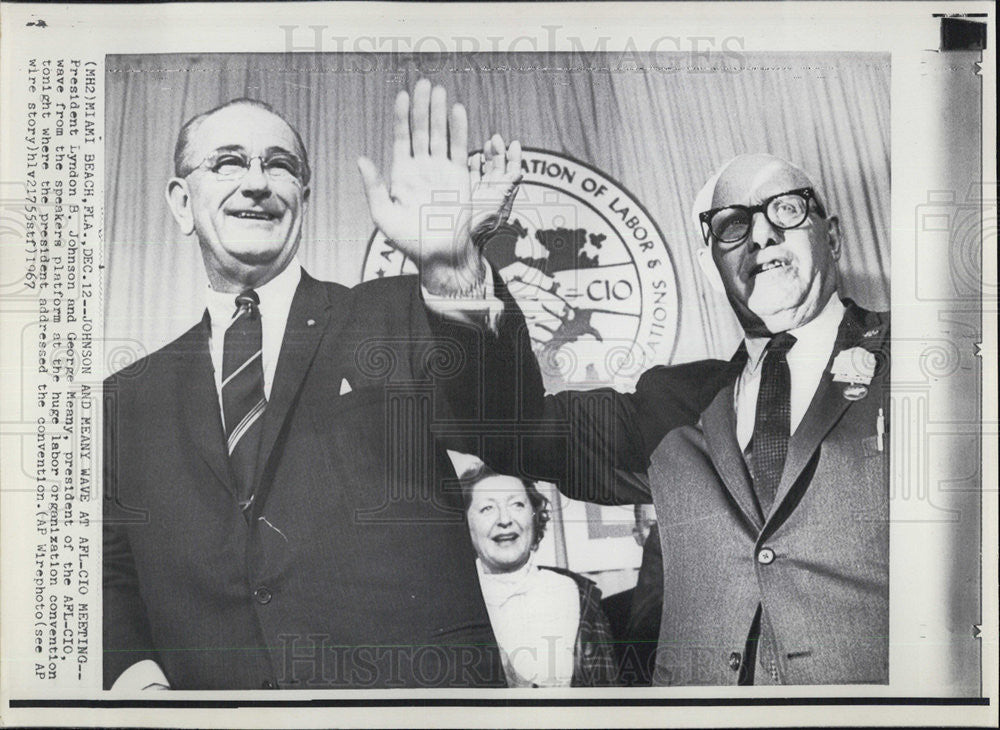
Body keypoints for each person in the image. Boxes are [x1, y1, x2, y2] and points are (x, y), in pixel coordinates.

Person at [102, 81, 526, 690]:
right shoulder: (126, 399)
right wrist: (141, 686)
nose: (257, 182)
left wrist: (455, 269)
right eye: (227, 162)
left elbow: (503, 418)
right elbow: (107, 573)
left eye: (280, 166)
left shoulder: (397, 312)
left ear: (303, 195)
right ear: (180, 202)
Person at [472, 151, 889, 685]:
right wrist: (463, 263)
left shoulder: (928, 358)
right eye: (733, 225)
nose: (761, 234)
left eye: (786, 209)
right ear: (714, 271)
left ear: (831, 238)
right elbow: (510, 429)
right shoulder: (671, 402)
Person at [460, 464, 617, 687]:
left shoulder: (576, 593)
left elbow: (607, 705)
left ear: (534, 517)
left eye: (517, 504)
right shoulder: (453, 602)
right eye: (487, 508)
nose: (505, 519)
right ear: (466, 525)